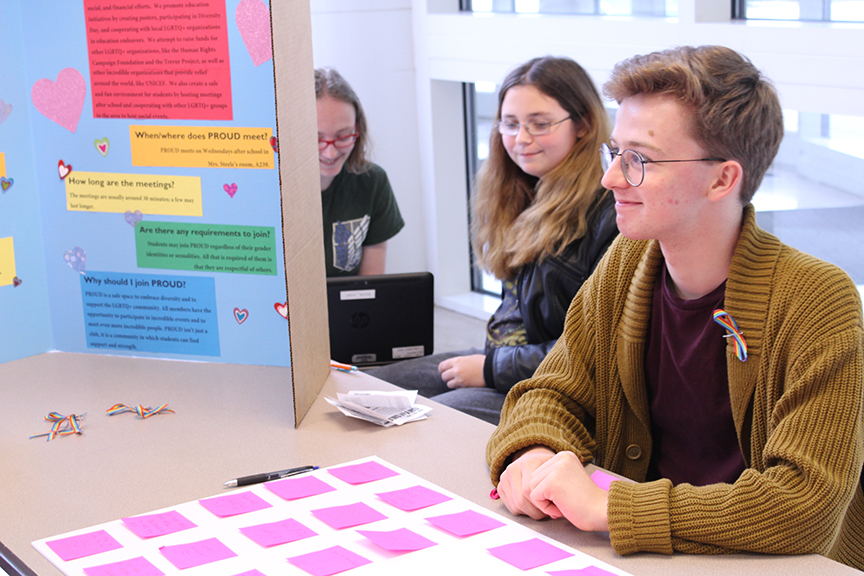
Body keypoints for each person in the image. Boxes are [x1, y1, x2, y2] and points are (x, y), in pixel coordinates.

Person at [486, 45, 864, 570]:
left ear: (722, 179)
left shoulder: (818, 299)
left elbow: (805, 505)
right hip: (637, 558)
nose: (611, 178)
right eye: (614, 153)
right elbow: (549, 392)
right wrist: (534, 453)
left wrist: (613, 506)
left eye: (639, 159)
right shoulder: (627, 261)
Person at [369, 56, 618, 425]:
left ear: (582, 124)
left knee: (434, 422)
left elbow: (597, 354)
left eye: (540, 124)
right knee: (376, 388)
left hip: (561, 388)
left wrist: (490, 370)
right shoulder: (522, 187)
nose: (521, 139)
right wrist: (491, 364)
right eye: (511, 124)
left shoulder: (608, 212)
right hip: (507, 359)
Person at [315, 67, 404, 277]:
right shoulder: (272, 190)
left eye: (343, 136)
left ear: (358, 131)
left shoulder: (372, 182)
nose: (330, 152)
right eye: (316, 139)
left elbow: (370, 287)